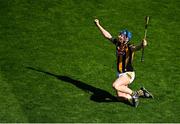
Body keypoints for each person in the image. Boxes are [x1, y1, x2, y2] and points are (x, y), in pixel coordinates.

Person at [94, 19, 153, 107]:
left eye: (121, 35)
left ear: (126, 38)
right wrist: (98, 25)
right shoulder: (118, 44)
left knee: (115, 85)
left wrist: (142, 45)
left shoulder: (129, 47)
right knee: (120, 97)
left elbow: (136, 48)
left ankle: (135, 94)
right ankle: (141, 92)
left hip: (128, 73)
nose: (119, 36)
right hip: (120, 74)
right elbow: (108, 36)